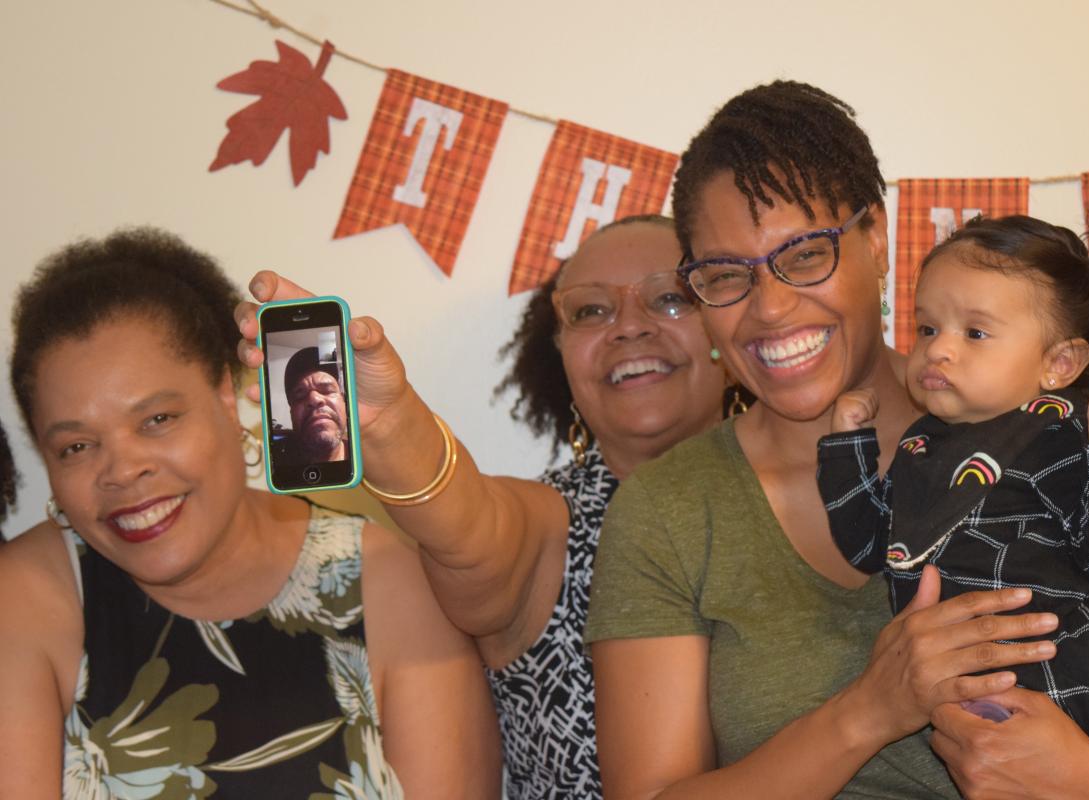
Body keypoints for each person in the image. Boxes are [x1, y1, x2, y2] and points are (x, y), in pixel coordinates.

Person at [584, 80, 1089, 799]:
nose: (771, 308)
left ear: (875, 239)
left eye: (804, 255)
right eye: (726, 274)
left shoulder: (1065, 430)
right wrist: (871, 709)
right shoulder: (671, 509)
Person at [235, 214, 728, 800]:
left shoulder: (805, 491)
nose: (628, 327)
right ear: (560, 353)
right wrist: (391, 427)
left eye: (669, 298)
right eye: (591, 310)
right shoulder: (549, 525)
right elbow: (465, 521)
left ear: (726, 318)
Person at [0, 228, 501, 797]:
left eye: (157, 420)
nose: (122, 470)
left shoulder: (387, 581)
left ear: (224, 393)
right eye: (76, 446)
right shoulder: (23, 597)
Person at [816, 215, 1089, 798]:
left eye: (974, 333)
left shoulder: (1063, 434)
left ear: (1059, 364)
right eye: (926, 328)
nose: (938, 349)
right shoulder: (921, 446)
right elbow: (871, 548)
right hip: (987, 691)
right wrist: (848, 450)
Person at [274, 345, 350, 463]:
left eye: (326, 390)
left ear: (343, 400)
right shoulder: (273, 459)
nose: (314, 399)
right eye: (300, 396)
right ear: (291, 412)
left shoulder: (368, 457)